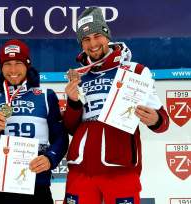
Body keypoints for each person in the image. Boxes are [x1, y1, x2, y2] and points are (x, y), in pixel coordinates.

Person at [63, 7, 170, 204]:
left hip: (120, 169)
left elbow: (163, 122)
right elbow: (70, 127)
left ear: (107, 36)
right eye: (86, 39)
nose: (93, 44)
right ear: (81, 43)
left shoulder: (136, 70)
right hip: (81, 170)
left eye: (97, 36)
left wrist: (156, 119)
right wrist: (73, 102)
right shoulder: (78, 75)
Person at [0, 39, 69, 204]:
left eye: (18, 63)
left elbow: (60, 137)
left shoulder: (46, 95)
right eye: (7, 64)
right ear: (0, 67)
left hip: (37, 185)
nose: (13, 69)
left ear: (27, 65)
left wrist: (50, 159)